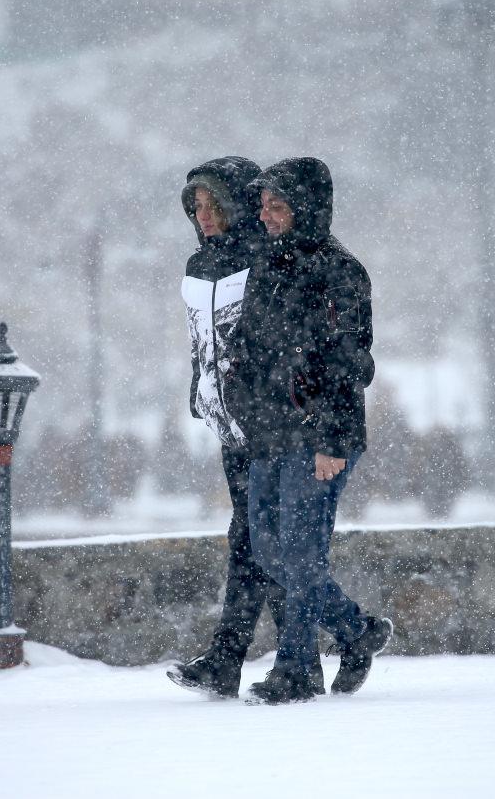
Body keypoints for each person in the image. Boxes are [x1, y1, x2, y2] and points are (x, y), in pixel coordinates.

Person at [226, 156, 393, 705]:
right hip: (269, 436)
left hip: (319, 437)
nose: (267, 215)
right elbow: (247, 352)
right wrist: (247, 414)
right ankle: (356, 630)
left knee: (301, 556)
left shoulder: (341, 271)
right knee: (267, 552)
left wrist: (332, 440)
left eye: (278, 206)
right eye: (264, 205)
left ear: (307, 209)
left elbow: (350, 362)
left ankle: (297, 670)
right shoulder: (265, 265)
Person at [166, 156, 299, 698]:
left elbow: (281, 345)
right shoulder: (199, 264)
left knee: (257, 541)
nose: (202, 215)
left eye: (212, 204)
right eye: (196, 206)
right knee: (256, 541)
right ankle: (313, 650)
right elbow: (202, 340)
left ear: (237, 204)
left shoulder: (267, 258)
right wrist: (200, 392)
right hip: (230, 429)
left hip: (270, 426)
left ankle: (251, 660)